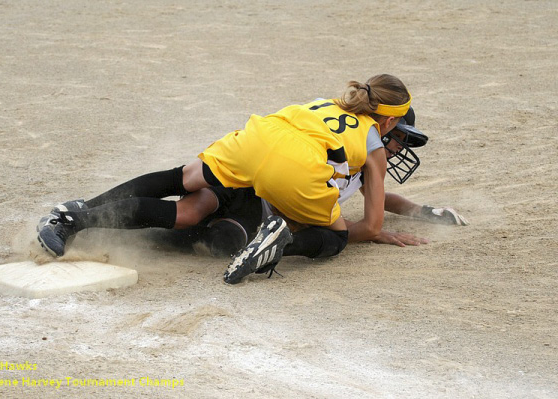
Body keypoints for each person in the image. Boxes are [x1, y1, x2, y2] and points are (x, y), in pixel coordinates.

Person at [37, 74, 413, 283]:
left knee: (185, 179)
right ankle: (278, 244)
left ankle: (73, 216)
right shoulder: (374, 142)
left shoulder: (323, 103)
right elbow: (373, 224)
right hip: (296, 169)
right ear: (390, 120)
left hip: (259, 136)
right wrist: (365, 230)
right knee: (337, 236)